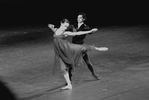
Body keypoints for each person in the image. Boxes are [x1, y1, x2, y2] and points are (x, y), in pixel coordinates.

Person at [48, 19, 108, 90]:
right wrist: (51, 26)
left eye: (66, 27)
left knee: (81, 48)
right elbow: (51, 27)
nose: (65, 28)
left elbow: (77, 33)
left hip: (68, 49)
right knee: (63, 69)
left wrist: (90, 31)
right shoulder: (56, 30)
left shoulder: (65, 33)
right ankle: (69, 85)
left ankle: (96, 48)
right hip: (61, 52)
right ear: (61, 23)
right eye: (65, 26)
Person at [69, 12, 100, 80]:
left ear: (83, 19)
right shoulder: (73, 25)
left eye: (80, 18)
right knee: (71, 64)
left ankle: (94, 74)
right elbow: (66, 29)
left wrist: (95, 30)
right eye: (78, 18)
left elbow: (91, 31)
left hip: (81, 47)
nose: (78, 19)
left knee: (87, 62)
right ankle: (69, 80)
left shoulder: (85, 27)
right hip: (74, 47)